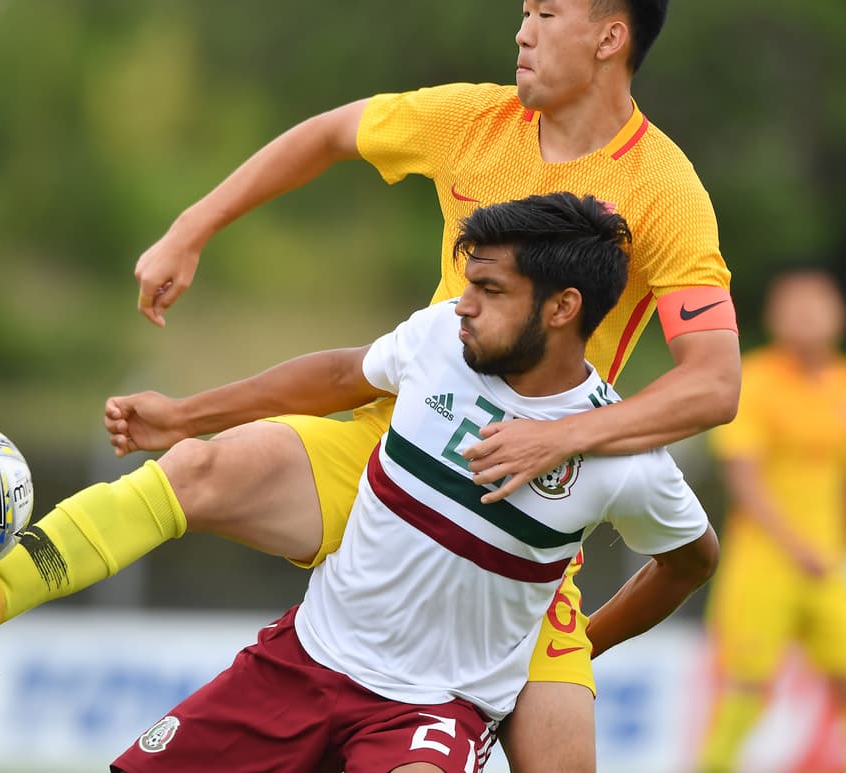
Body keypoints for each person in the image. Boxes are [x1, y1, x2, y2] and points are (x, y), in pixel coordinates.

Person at [0, 0, 740, 771]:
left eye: (545, 13)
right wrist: (193, 227)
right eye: (523, 11)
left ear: (609, 37)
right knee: (196, 469)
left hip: (522, 512)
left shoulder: (664, 191)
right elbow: (327, 136)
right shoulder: (471, 120)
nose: (522, 32)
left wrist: (559, 442)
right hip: (394, 442)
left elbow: (713, 383)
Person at [106, 193, 712, 771]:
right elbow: (340, 374)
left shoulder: (624, 458)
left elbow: (692, 561)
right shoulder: (440, 337)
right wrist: (185, 416)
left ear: (562, 308)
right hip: (302, 661)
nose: (464, 305)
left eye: (490, 290)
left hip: (432, 711)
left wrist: (585, 641)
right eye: (469, 284)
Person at [698, 268, 846, 773]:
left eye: (817, 305)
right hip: (764, 561)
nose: (807, 316)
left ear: (841, 315)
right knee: (745, 690)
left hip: (827, 563)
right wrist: (795, 546)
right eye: (795, 306)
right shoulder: (754, 379)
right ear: (773, 317)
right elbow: (743, 478)